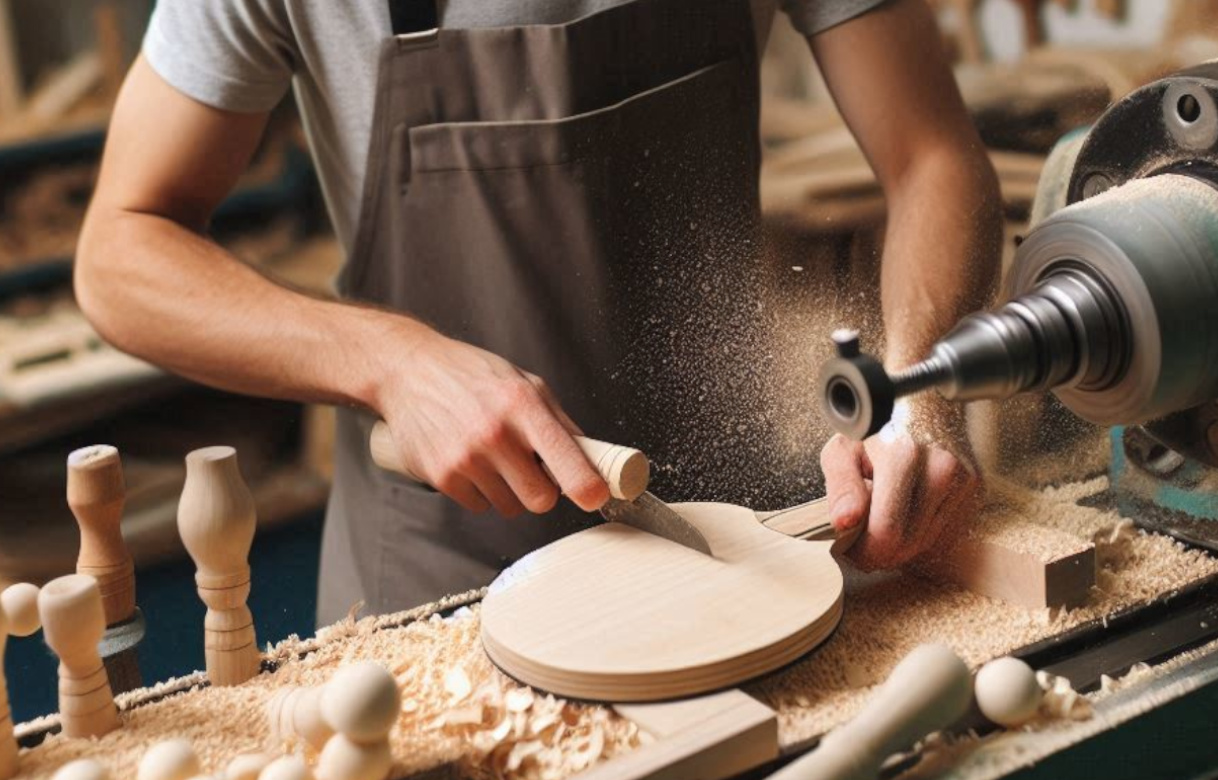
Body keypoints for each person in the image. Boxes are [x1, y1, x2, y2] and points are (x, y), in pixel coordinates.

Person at [76, 0, 1001, 625]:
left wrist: (918, 394)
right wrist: (391, 360)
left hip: (747, 541)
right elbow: (121, 250)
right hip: (447, 577)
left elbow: (931, 157)